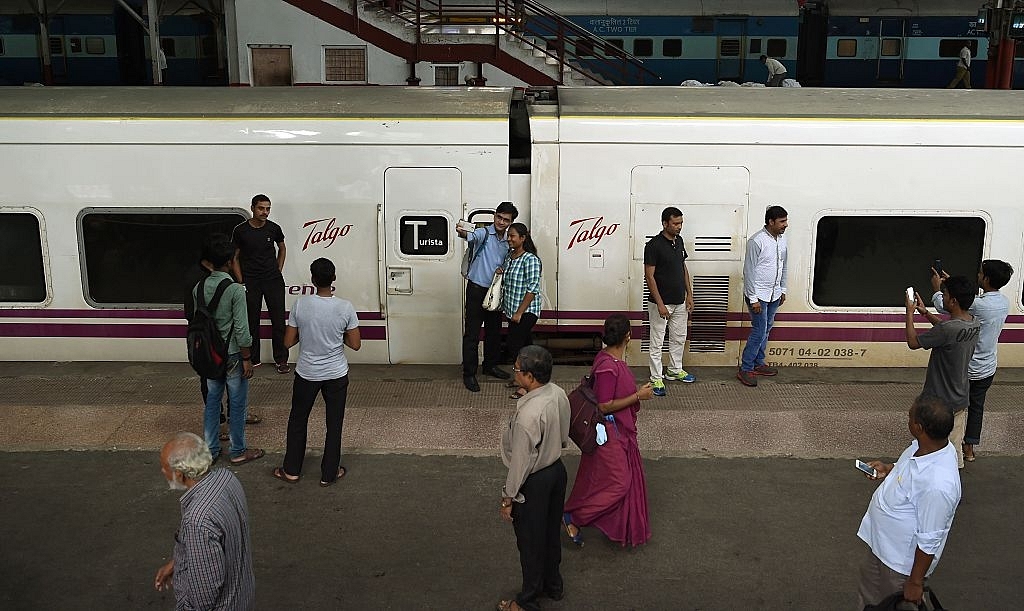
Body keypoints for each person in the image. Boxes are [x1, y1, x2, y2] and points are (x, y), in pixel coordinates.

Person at [855, 395, 961, 609]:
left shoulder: (938, 484)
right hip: (882, 547)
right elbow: (908, 470)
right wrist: (889, 468)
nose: (907, 418)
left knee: (889, 605)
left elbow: (930, 537)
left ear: (919, 427)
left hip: (899, 566)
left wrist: (915, 581)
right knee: (869, 600)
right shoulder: (925, 447)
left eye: (910, 416)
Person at [563, 314, 654, 548]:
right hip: (610, 432)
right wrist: (638, 395)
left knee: (596, 479)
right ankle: (575, 517)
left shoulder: (604, 359)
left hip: (611, 430)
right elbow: (604, 405)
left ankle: (579, 517)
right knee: (620, 483)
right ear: (628, 336)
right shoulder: (609, 367)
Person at [273, 257, 361, 486]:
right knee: (334, 423)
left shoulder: (300, 305)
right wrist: (335, 334)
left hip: (307, 374)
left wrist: (309, 332)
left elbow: (288, 342)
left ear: (312, 279)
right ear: (333, 279)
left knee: (298, 420)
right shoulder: (345, 307)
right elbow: (355, 344)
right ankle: (329, 473)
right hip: (336, 374)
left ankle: (291, 470)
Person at [498, 346, 570, 611]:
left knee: (530, 543)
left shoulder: (528, 416)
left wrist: (508, 498)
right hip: (556, 472)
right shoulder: (558, 393)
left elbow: (520, 463)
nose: (515, 373)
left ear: (529, 377)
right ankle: (554, 586)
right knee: (550, 534)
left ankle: (526, 601)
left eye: (517, 370)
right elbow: (564, 430)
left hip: (535, 480)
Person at [154, 432, 255, 610]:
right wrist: (178, 562)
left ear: (179, 474)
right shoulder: (227, 478)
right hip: (242, 596)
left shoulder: (197, 519)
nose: (163, 472)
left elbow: (202, 598)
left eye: (165, 468)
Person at [930, 260, 1011, 463]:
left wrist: (939, 289)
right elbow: (966, 301)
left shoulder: (979, 305)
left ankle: (946, 448)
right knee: (977, 407)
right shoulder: (1003, 302)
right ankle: (969, 449)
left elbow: (944, 306)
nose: (978, 275)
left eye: (981, 273)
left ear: (987, 279)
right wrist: (955, 286)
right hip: (988, 366)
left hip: (966, 367)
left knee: (954, 408)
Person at [184, 234, 260, 443]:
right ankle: (237, 450)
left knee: (212, 401)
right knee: (236, 402)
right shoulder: (235, 290)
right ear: (229, 262)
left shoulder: (197, 288)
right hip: (233, 354)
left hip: (209, 354)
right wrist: (247, 357)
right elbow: (242, 329)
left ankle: (211, 448)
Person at [906, 275, 980, 469]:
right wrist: (925, 313)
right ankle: (952, 482)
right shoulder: (974, 323)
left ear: (953, 300)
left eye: (945, 294)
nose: (943, 297)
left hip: (938, 402)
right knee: (954, 448)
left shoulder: (947, 329)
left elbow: (913, 342)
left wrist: (910, 313)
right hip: (961, 398)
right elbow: (947, 330)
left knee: (931, 446)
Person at [456, 201, 518, 392]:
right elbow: (468, 235)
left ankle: (490, 366)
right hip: (476, 288)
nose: (501, 221)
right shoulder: (484, 233)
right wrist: (462, 229)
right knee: (472, 333)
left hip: (496, 290)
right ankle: (469, 374)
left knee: (494, 332)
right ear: (494, 216)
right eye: (499, 217)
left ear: (510, 222)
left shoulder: (509, 239)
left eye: (505, 220)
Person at [231, 194, 290, 374]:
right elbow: (234, 257)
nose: (265, 212)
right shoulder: (241, 231)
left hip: (273, 280)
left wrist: (278, 269)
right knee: (251, 321)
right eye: (261, 208)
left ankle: (281, 360)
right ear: (252, 208)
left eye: (268, 209)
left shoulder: (274, 229)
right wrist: (241, 281)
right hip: (251, 281)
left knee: (279, 321)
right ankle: (253, 359)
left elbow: (282, 248)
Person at [644, 206, 696, 397]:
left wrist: (689, 294)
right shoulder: (653, 246)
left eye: (681, 223)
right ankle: (656, 377)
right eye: (675, 223)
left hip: (680, 301)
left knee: (678, 337)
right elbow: (649, 276)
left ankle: (675, 369)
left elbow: (683, 268)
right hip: (660, 303)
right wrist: (659, 303)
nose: (679, 227)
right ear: (665, 223)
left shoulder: (679, 242)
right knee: (657, 342)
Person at [738, 206, 788, 387]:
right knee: (759, 331)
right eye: (782, 221)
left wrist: (783, 289)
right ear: (770, 222)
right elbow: (749, 271)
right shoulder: (756, 241)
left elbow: (784, 264)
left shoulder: (782, 240)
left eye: (785, 221)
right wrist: (753, 298)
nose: (786, 225)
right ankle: (746, 368)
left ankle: (758, 363)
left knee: (766, 329)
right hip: (758, 295)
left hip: (774, 293)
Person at [502, 223, 542, 399]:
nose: (509, 239)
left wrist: (519, 312)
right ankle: (522, 380)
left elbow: (532, 289)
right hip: (513, 311)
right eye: (508, 236)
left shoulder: (530, 260)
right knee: (526, 347)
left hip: (525, 312)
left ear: (523, 238)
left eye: (513, 236)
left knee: (516, 348)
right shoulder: (510, 257)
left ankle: (526, 386)